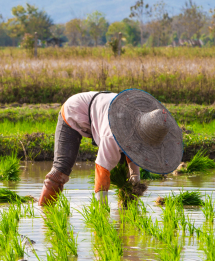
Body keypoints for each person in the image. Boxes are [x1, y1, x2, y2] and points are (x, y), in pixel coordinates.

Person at [38, 88, 184, 206]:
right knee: (61, 170)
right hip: (75, 111)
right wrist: (102, 209)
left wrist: (134, 176)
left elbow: (135, 149)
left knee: (125, 174)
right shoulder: (112, 134)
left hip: (102, 112)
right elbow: (102, 169)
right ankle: (44, 211)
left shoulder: (144, 124)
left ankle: (126, 212)